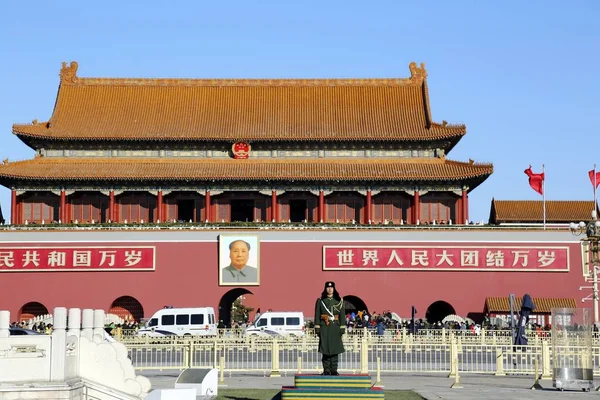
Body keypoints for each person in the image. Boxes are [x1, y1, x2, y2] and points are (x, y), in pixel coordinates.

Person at [314, 281, 346, 375]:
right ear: (325, 288)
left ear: (334, 288)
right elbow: (317, 314)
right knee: (325, 349)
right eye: (328, 287)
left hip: (335, 328)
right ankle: (326, 370)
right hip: (324, 327)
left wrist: (342, 327)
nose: (330, 289)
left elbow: (342, 315)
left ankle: (334, 370)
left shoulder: (339, 300)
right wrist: (317, 327)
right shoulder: (321, 301)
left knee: (335, 349)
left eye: (331, 287)